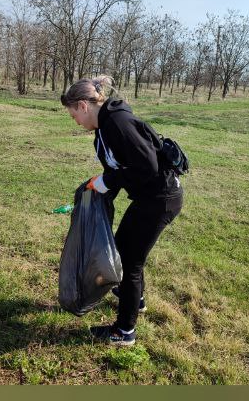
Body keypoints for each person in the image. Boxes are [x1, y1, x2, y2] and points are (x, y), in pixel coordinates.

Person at [61, 75, 183, 345]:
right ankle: (135, 299)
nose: (76, 123)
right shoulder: (105, 126)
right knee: (124, 250)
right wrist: (100, 190)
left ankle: (124, 331)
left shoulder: (117, 122)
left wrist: (107, 182)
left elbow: (147, 166)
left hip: (161, 199)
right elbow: (121, 168)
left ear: (83, 106)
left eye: (73, 116)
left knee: (129, 262)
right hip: (149, 197)